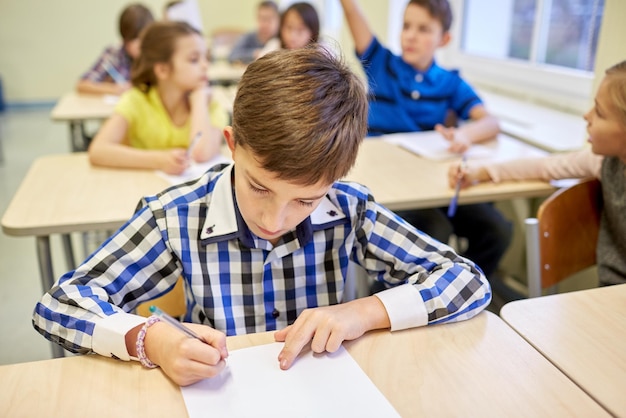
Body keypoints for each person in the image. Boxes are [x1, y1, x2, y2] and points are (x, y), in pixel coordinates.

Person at [33, 47, 491, 387]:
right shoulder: (176, 215)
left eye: (306, 201)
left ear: (335, 179)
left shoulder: (350, 206)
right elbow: (59, 305)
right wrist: (148, 338)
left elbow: (467, 281)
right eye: (259, 187)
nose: (274, 219)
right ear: (232, 145)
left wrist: (361, 313)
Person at [339, 0, 511, 284]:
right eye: (406, 26)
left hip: (434, 184)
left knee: (497, 229)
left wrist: (465, 134)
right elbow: (351, 10)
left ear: (444, 39)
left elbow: (491, 123)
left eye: (423, 29)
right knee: (432, 229)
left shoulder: (450, 82)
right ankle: (388, 298)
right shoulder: (381, 64)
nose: (410, 35)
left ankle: (461, 288)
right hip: (387, 184)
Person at [449, 60, 626, 287]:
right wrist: (482, 171)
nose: (587, 116)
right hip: (609, 292)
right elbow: (545, 166)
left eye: (600, 113)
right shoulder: (603, 161)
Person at [88, 21, 228, 175]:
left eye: (206, 58)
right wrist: (158, 160)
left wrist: (199, 101)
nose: (205, 65)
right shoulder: (136, 100)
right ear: (162, 70)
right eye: (194, 59)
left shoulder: (210, 104)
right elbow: (98, 150)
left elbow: (201, 153)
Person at [77, 3, 154, 96]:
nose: (139, 45)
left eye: (143, 39)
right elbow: (82, 85)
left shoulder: (157, 55)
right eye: (133, 39)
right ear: (124, 38)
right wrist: (115, 89)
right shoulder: (114, 53)